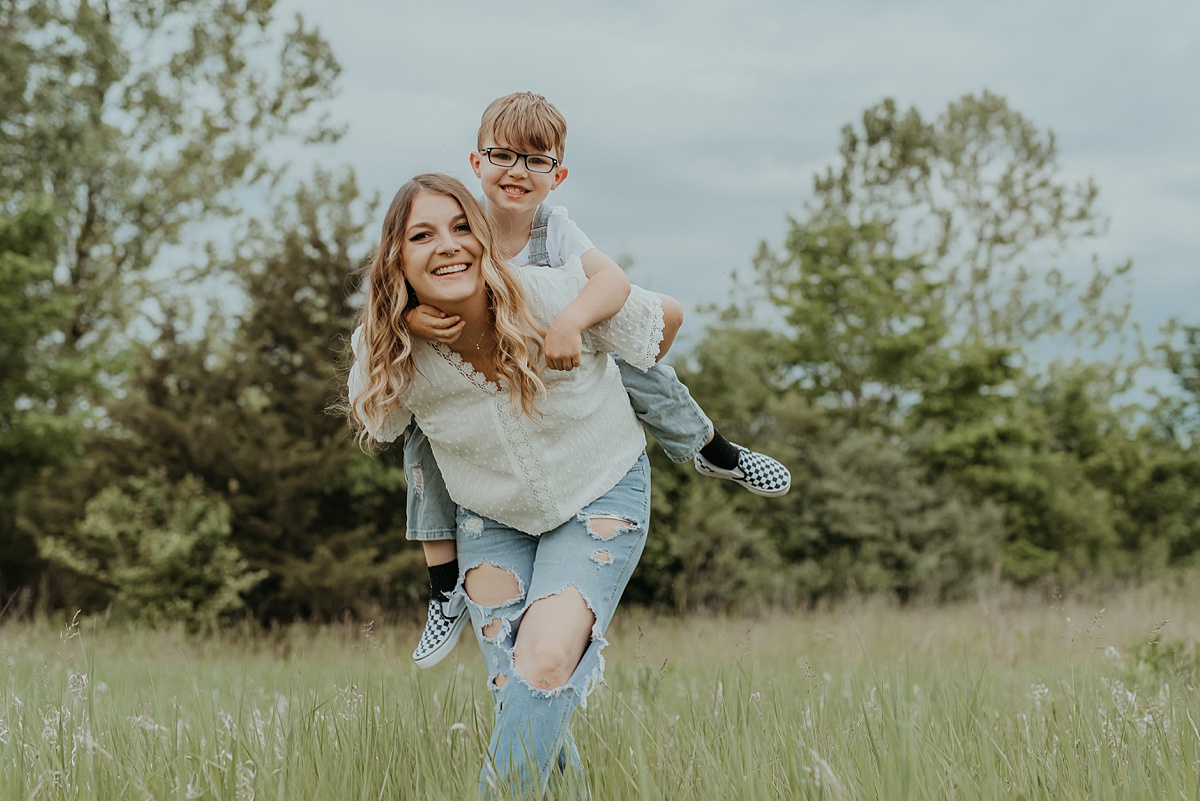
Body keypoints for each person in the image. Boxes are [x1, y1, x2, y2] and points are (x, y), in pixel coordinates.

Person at [406, 92, 792, 668]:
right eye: (503, 155)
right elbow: (405, 284)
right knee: (423, 432)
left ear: (557, 175)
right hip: (473, 382)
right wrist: (412, 316)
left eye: (536, 161)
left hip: (555, 364)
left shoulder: (553, 230)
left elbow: (613, 283)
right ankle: (443, 588)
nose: (517, 171)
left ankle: (711, 449)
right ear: (476, 162)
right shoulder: (462, 229)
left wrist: (572, 320)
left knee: (632, 363)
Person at [348, 173, 672, 796]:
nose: (448, 245)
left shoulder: (547, 293)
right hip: (489, 516)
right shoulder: (391, 344)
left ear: (487, 241)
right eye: (423, 235)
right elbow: (381, 422)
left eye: (462, 227)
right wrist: (401, 329)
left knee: (545, 664)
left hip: (599, 492)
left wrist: (576, 329)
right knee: (520, 693)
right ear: (397, 260)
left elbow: (663, 322)